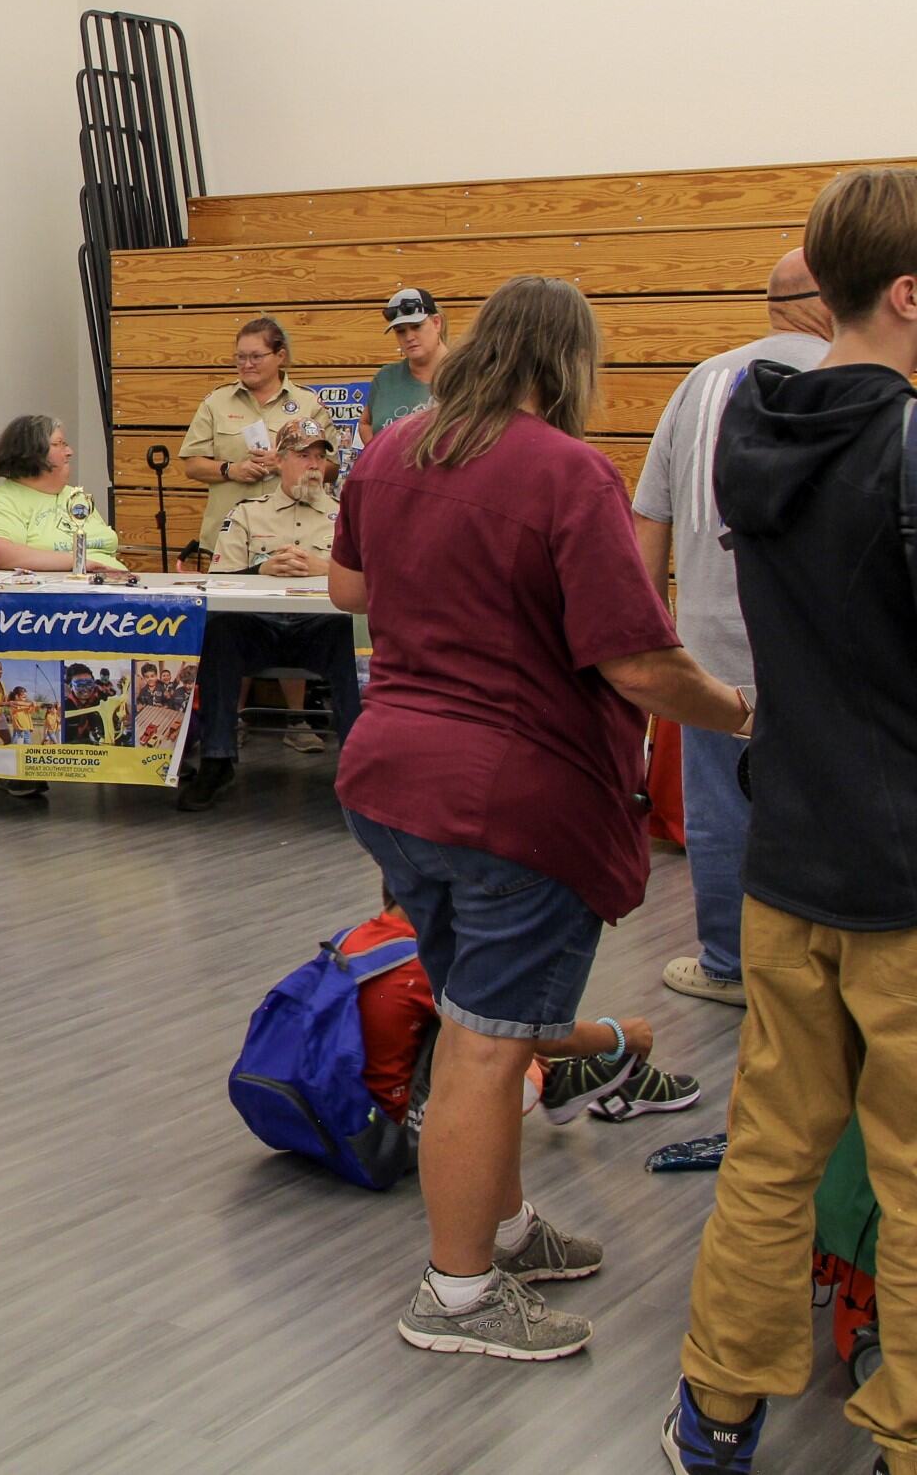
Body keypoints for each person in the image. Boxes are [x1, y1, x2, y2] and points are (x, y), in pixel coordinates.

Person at [327, 274, 749, 1362]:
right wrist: (740, 712)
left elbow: (345, 589)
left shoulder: (392, 450)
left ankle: (502, 1230)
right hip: (510, 800)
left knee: (480, 1014)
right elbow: (637, 661)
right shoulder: (565, 472)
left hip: (389, 782)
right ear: (570, 363)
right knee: (483, 1045)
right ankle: (457, 1298)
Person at [666, 168, 917, 1475]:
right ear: (911, 292)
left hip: (790, 859)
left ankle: (716, 1415)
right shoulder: (906, 441)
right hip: (904, 878)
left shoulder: (750, 426)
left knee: (769, 1151)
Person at [630, 248, 832, 1009]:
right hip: (815, 650)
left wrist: (652, 642)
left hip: (710, 647)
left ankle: (728, 963)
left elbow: (649, 517)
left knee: (721, 812)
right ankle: (814, 972)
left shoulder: (698, 381)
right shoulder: (847, 376)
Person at [345, 890, 701, 1132]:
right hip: (391, 1130)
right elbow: (541, 1034)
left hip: (347, 1107)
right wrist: (620, 1035)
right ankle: (568, 1083)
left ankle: (566, 1083)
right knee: (502, 1032)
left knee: (474, 1020)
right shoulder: (424, 964)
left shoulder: (357, 938)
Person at [178, 420, 363, 810]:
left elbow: (373, 575)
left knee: (352, 635)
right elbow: (218, 580)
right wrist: (259, 570)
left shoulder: (346, 514)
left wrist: (324, 567)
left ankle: (359, 769)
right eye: (302, 455)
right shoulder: (247, 513)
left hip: (321, 628)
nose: (313, 465)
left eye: (318, 456)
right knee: (222, 631)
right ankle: (216, 759)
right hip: (259, 625)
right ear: (279, 461)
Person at [180, 315, 327, 545]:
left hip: (291, 539)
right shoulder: (215, 402)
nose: (247, 364)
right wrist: (231, 470)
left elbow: (332, 469)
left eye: (256, 356)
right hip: (228, 540)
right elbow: (192, 465)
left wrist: (284, 464)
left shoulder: (309, 404)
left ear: (280, 356)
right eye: (240, 357)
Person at [0, 415, 127, 571]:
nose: (70, 452)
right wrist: (80, 563)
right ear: (31, 452)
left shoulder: (76, 496)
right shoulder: (4, 499)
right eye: (59, 444)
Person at [359, 287, 451, 450]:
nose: (409, 337)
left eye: (416, 327)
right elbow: (366, 423)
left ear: (437, 323)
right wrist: (377, 454)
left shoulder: (469, 373)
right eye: (400, 331)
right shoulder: (385, 378)